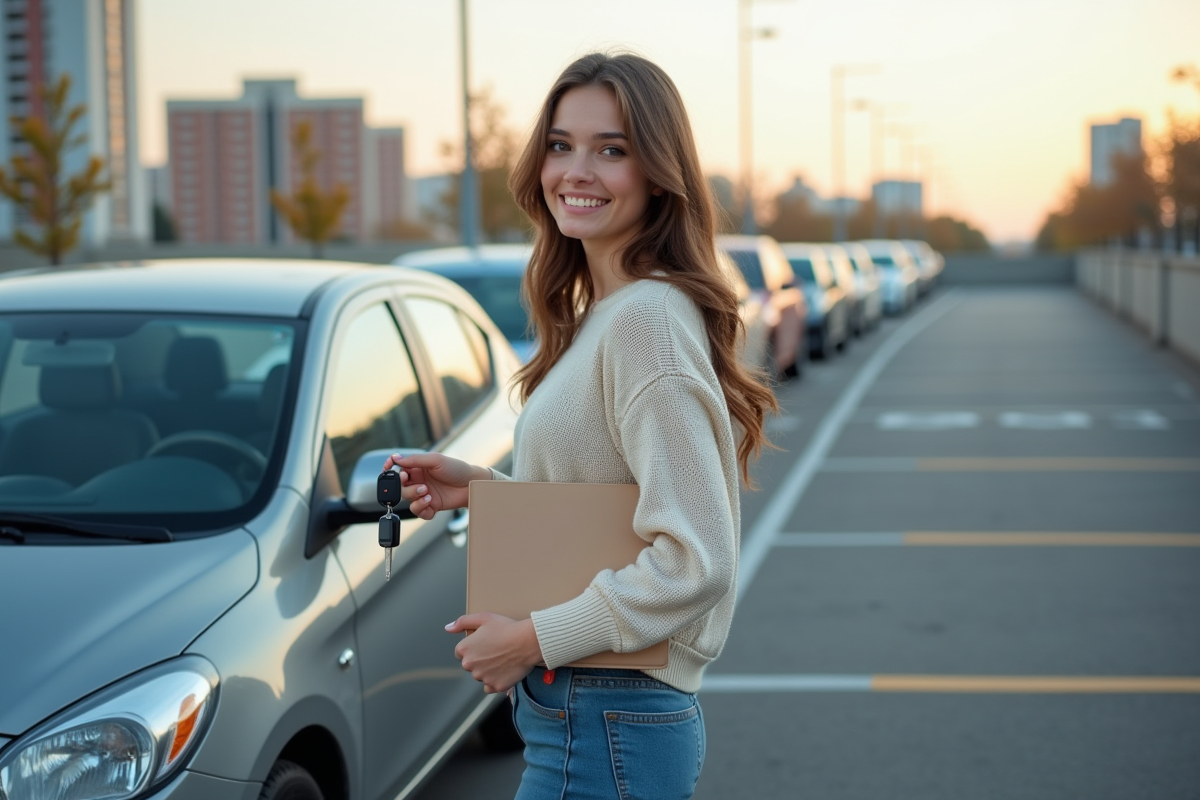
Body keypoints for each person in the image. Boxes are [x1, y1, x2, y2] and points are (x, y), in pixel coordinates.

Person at [384, 51, 778, 800]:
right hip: (590, 719)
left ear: (659, 172)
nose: (577, 170)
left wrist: (529, 641)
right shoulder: (607, 312)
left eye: (612, 150)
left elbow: (697, 558)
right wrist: (490, 492)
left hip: (608, 722)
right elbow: (613, 497)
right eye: (562, 145)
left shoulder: (647, 323)